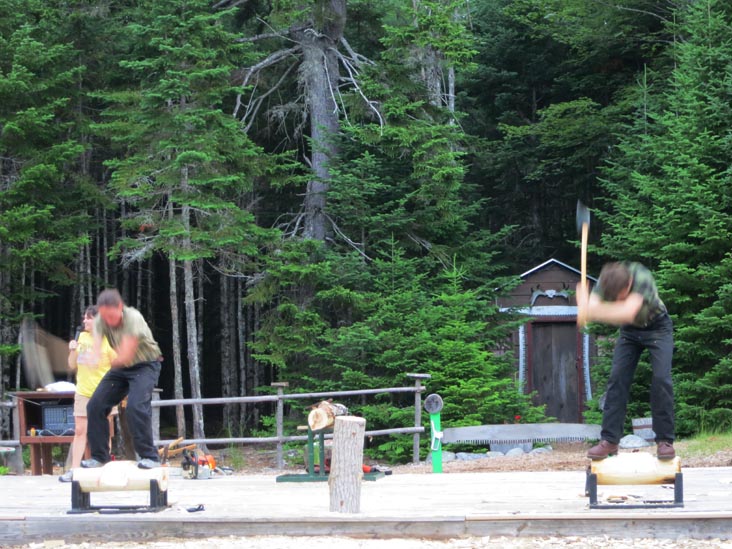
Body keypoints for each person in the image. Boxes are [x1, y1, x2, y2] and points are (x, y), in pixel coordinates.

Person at [576, 261, 676, 460]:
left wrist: (590, 309)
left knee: (661, 379)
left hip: (657, 327)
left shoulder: (641, 277)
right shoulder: (605, 282)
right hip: (630, 333)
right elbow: (604, 308)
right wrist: (588, 305)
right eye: (615, 297)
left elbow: (626, 312)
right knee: (617, 380)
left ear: (629, 282)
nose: (619, 299)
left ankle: (665, 441)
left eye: (623, 295)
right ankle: (610, 441)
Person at [81, 289, 163, 470]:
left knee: (135, 407)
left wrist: (104, 360)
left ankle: (150, 457)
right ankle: (100, 457)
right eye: (104, 317)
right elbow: (96, 346)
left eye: (111, 316)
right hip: (121, 369)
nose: (108, 321)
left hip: (145, 365)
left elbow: (126, 354)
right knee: (94, 406)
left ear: (120, 307)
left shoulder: (133, 318)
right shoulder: (101, 320)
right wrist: (93, 358)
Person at [59, 306, 117, 482]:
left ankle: (104, 468)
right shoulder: (82, 337)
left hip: (104, 392)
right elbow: (71, 365)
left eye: (88, 318)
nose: (84, 321)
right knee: (79, 430)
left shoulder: (109, 340)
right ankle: (74, 470)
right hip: (83, 391)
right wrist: (71, 349)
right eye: (84, 318)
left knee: (104, 432)